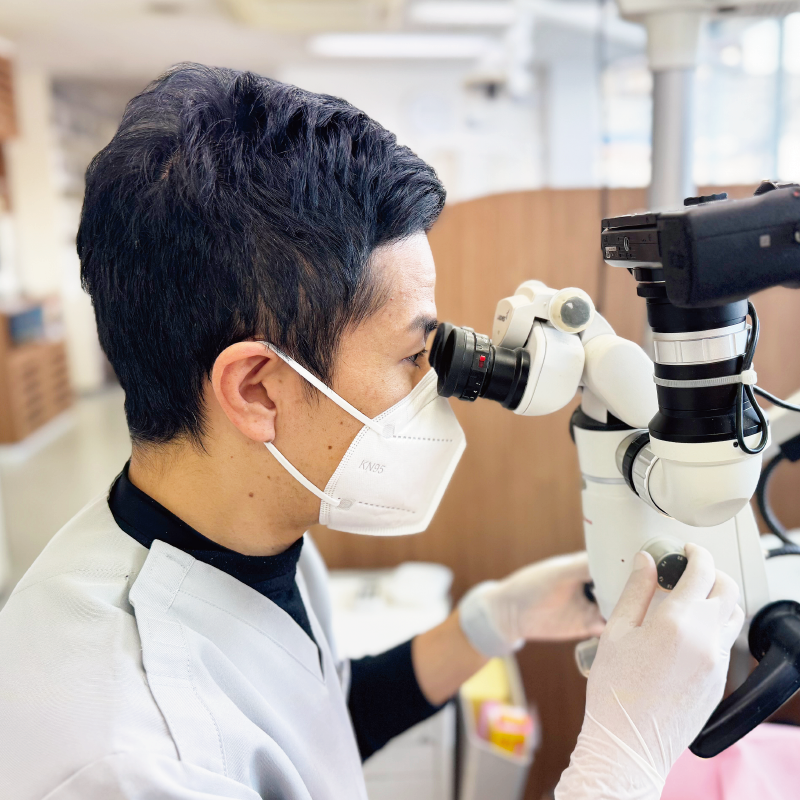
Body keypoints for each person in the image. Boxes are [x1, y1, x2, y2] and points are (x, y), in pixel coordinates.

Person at [0, 64, 743, 800]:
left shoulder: (235, 526)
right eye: (412, 354)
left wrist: (491, 623)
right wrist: (623, 759)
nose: (435, 381)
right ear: (258, 389)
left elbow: (311, 730)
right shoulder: (130, 759)